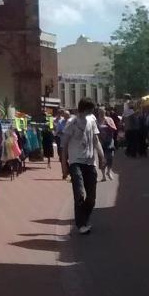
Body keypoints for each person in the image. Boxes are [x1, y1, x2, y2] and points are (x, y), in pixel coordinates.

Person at [62, 99, 100, 235]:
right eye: (91, 109)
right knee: (79, 193)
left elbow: (96, 140)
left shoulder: (92, 120)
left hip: (90, 162)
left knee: (91, 198)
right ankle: (81, 224)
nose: (92, 111)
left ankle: (83, 217)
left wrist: (101, 157)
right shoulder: (71, 123)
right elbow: (64, 146)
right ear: (85, 109)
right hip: (75, 162)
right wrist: (64, 167)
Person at [98, 108, 117, 179]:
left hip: (109, 141)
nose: (101, 114)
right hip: (101, 142)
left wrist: (108, 124)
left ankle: (108, 172)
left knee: (110, 157)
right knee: (102, 158)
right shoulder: (96, 121)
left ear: (105, 112)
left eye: (103, 112)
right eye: (100, 112)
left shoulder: (109, 119)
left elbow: (114, 129)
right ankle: (103, 175)